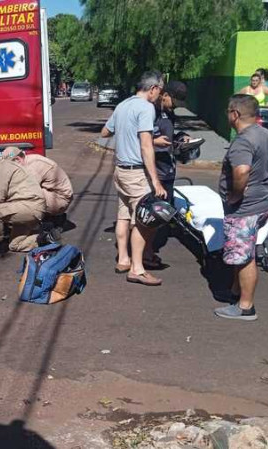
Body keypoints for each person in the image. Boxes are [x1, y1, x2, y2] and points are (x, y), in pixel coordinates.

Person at [215, 94, 268, 321]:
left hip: (245, 208)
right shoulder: (265, 133)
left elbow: (242, 171)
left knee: (245, 258)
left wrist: (235, 195)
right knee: (245, 250)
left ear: (235, 114)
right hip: (263, 202)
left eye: (228, 112)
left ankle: (245, 306)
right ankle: (236, 292)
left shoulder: (243, 141)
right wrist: (262, 169)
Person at [100, 70, 167, 287]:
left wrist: (125, 132)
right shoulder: (146, 107)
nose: (160, 96)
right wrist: (155, 181)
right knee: (143, 220)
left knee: (123, 214)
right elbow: (146, 145)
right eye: (160, 91)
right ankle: (137, 269)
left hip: (120, 170)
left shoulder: (122, 105)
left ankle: (123, 259)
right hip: (136, 173)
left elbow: (104, 132)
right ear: (153, 88)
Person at [0, 156, 46, 256]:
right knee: (15, 245)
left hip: (29, 206)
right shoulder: (9, 166)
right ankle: (46, 237)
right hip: (27, 207)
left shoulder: (2, 168)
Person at [151, 81, 188, 255]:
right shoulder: (150, 112)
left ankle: (152, 248)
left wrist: (182, 137)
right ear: (165, 95)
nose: (175, 107)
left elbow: (170, 137)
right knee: (154, 213)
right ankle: (148, 251)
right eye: (174, 102)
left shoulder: (169, 113)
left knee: (165, 210)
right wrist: (154, 142)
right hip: (155, 170)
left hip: (168, 168)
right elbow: (137, 140)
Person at [0, 147, 73, 217]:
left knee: (23, 194)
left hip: (59, 198)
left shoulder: (33, 166)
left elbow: (26, 189)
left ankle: (34, 223)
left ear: (18, 160)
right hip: (49, 193)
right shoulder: (24, 163)